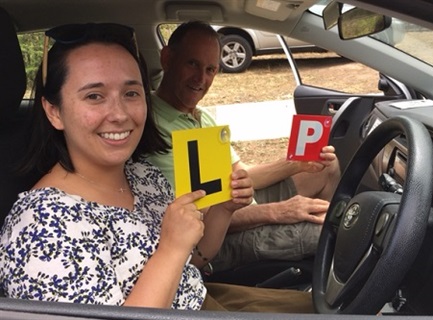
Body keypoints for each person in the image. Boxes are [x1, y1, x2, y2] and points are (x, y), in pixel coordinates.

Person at [0, 22, 315, 313]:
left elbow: (193, 259)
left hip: (204, 296)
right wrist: (170, 249)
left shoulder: (142, 175)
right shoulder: (41, 226)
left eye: (131, 93)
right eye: (94, 96)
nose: (120, 113)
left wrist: (223, 209)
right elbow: (173, 256)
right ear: (54, 112)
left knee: (321, 305)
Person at [148, 21, 341, 272]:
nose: (201, 79)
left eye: (210, 69)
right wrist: (278, 212)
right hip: (215, 238)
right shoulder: (153, 127)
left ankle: (314, 263)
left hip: (240, 207)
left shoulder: (200, 117)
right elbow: (205, 216)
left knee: (327, 168)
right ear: (167, 59)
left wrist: (295, 164)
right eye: (192, 64)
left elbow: (239, 177)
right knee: (331, 234)